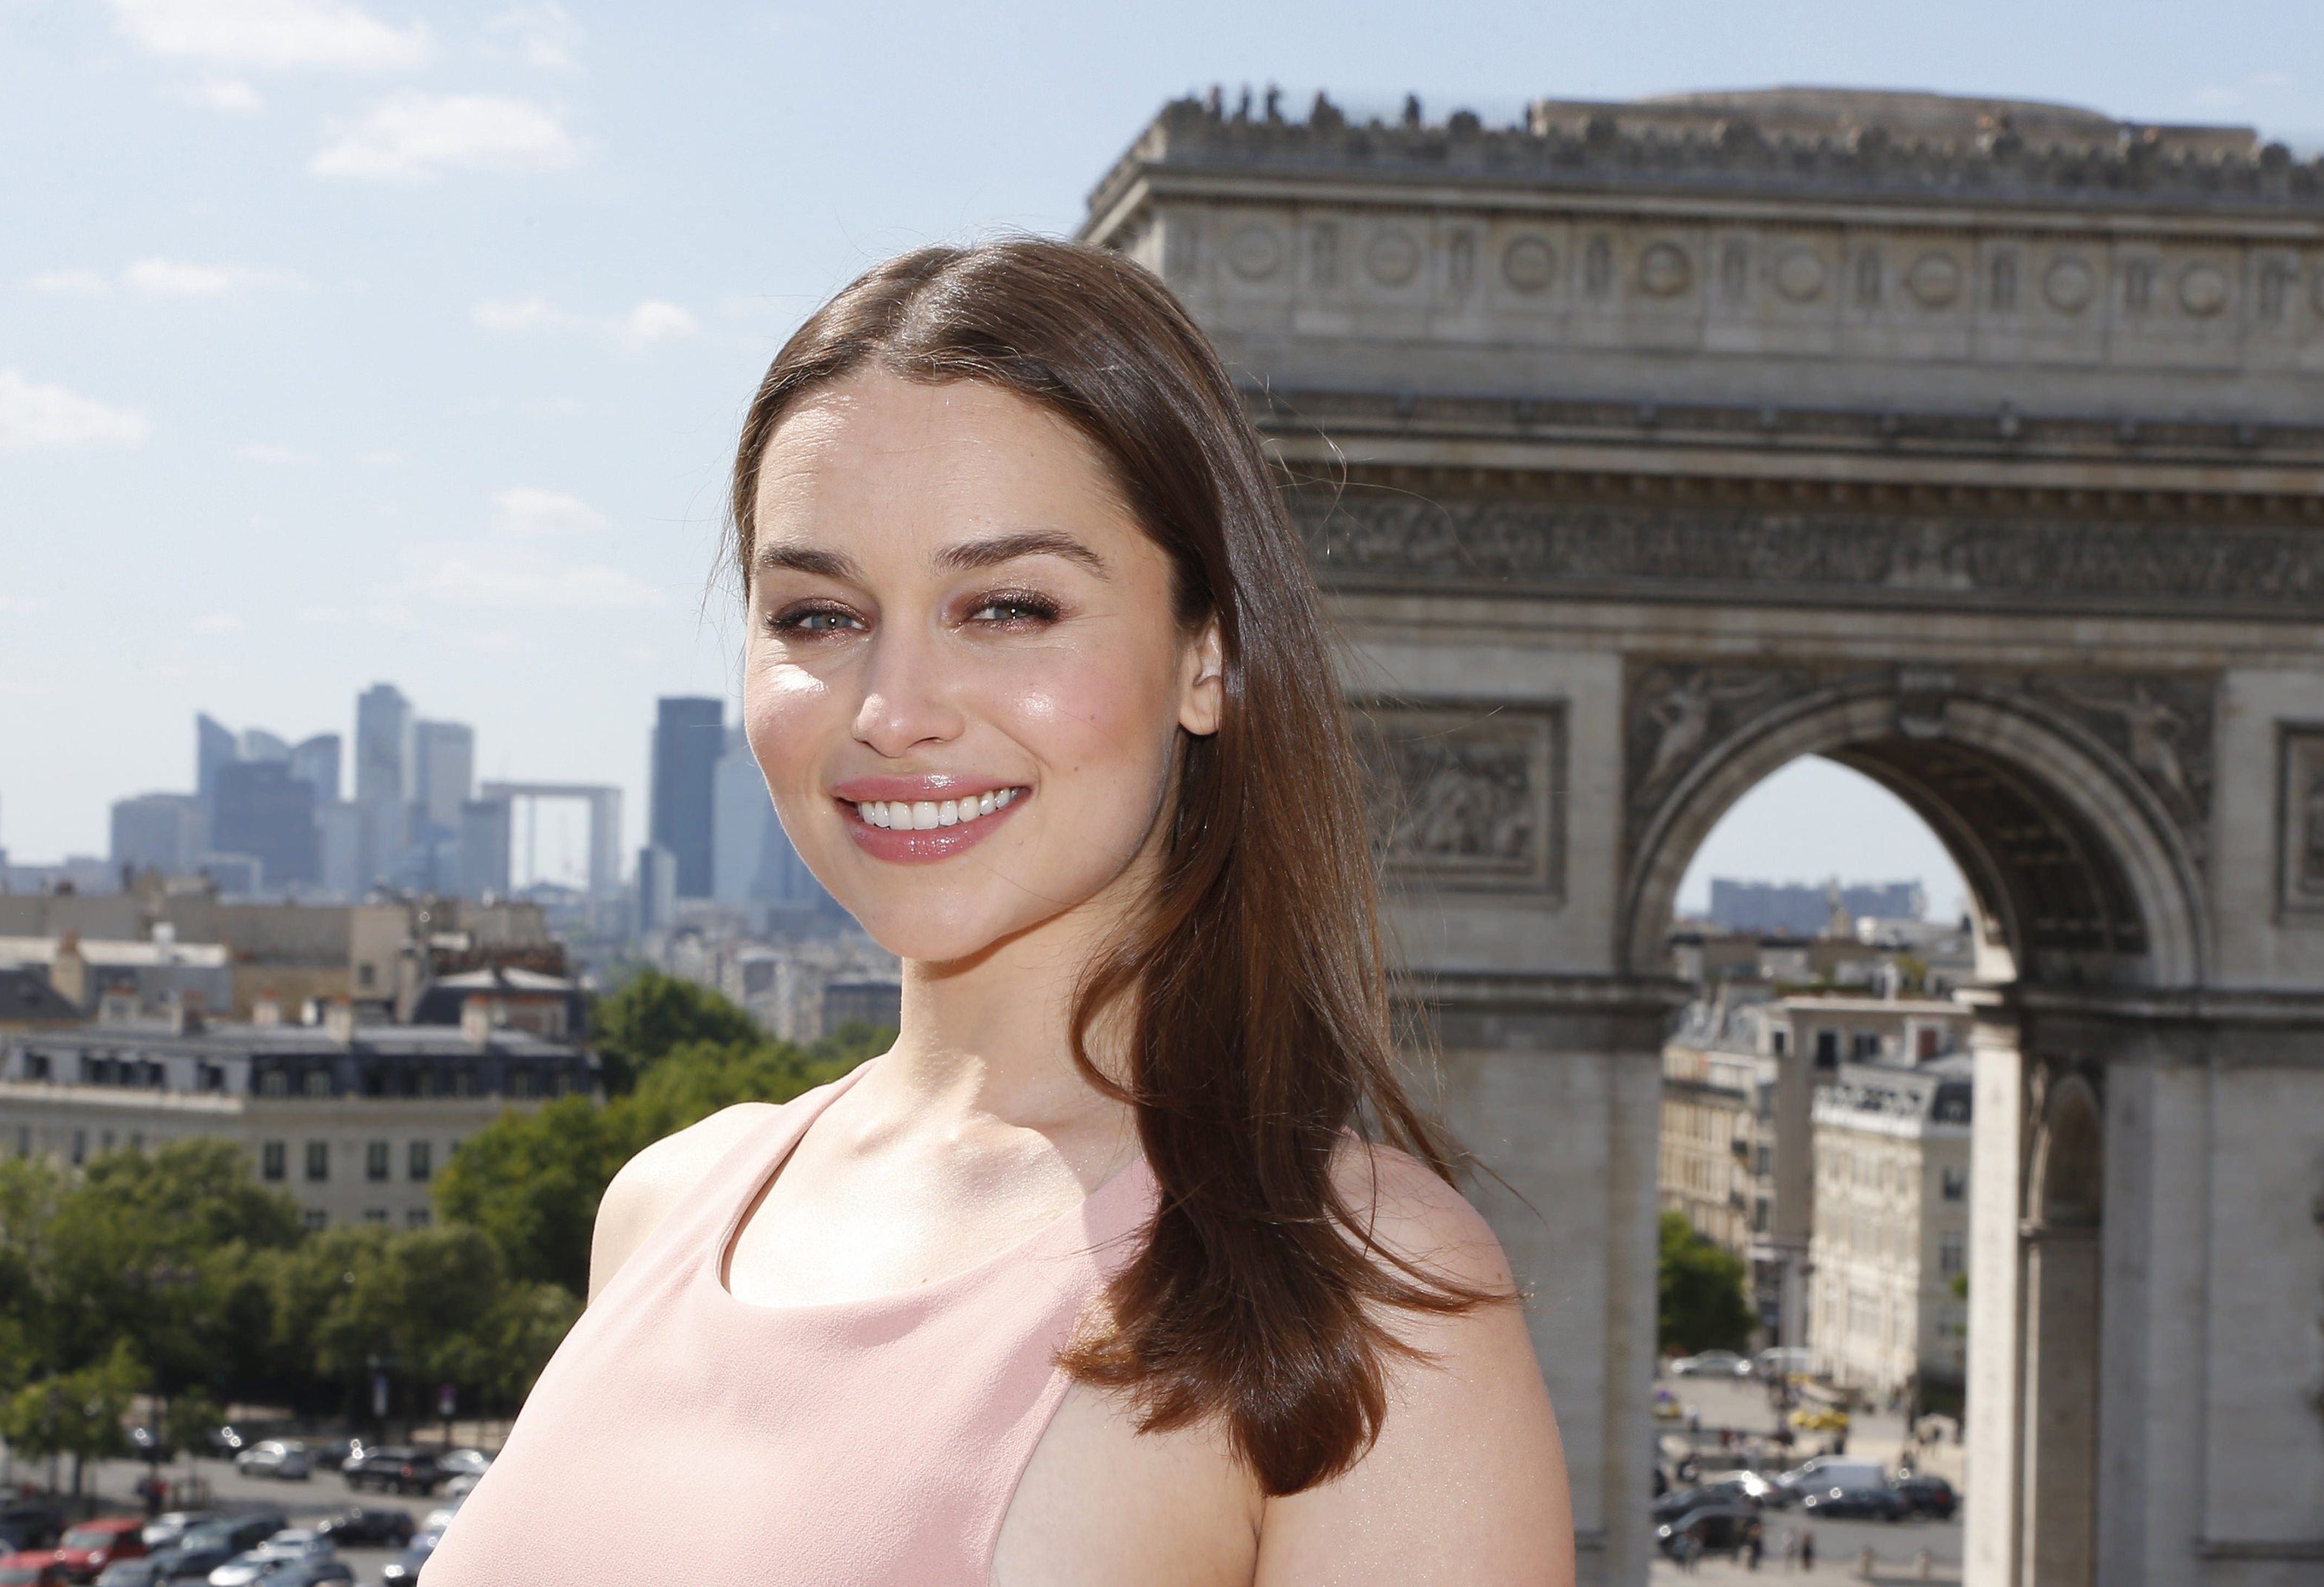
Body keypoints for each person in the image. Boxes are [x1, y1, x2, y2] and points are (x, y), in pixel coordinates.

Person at [423, 240, 1575, 1584]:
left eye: (1009, 606)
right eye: (817, 615)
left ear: (1211, 653)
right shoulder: (664, 1204)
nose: (894, 710)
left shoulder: (1363, 1295)